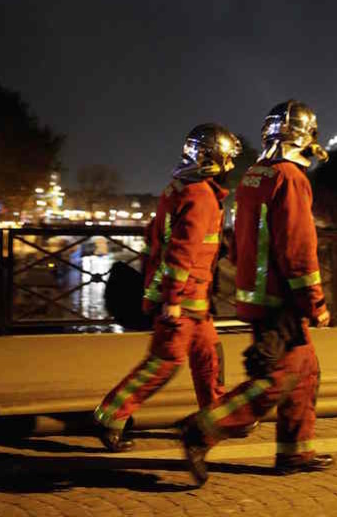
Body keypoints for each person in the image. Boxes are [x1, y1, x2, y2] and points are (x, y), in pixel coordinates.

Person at [180, 100, 333, 486]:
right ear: (302, 138)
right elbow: (299, 247)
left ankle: (295, 452)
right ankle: (205, 427)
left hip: (257, 292)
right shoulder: (292, 179)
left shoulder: (254, 175)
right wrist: (315, 302)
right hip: (281, 297)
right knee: (278, 378)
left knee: (306, 370)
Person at [92, 124, 241, 452]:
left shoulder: (178, 189)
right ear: (211, 159)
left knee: (207, 356)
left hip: (193, 297)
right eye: (227, 159)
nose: (230, 166)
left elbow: (155, 238)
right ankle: (111, 415)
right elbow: (182, 251)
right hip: (184, 298)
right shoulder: (201, 196)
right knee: (165, 361)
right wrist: (172, 298)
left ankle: (215, 418)